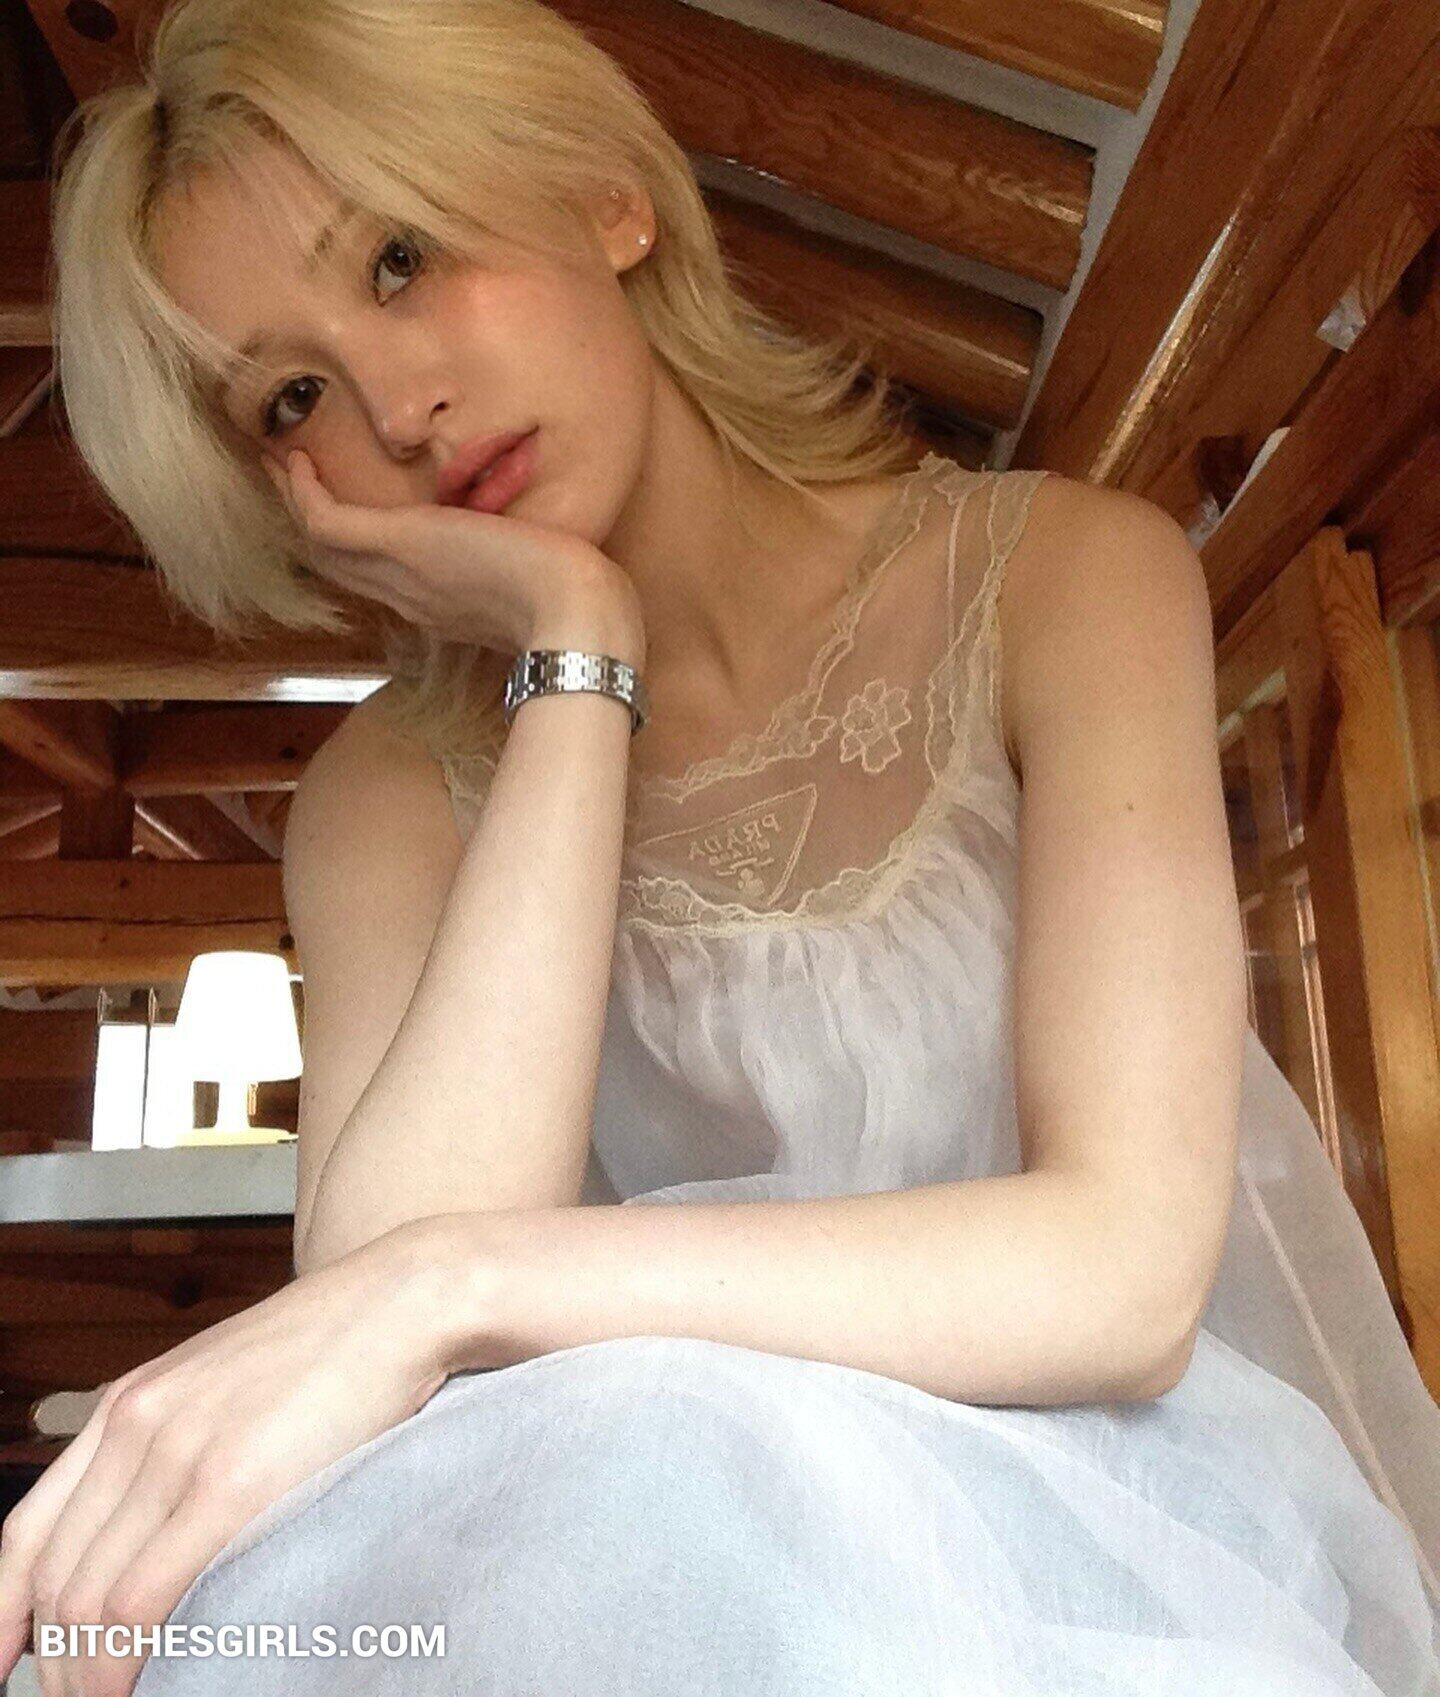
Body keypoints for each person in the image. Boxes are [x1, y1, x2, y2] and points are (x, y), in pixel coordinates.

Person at [1, 0, 1437, 1690]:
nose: (397, 408)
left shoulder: (1065, 578)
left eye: (401, 257)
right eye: (292, 394)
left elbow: (1120, 1275)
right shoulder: (387, 797)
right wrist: (574, 649)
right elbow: (386, 1355)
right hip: (666, 1563)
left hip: (1118, 1534)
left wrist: (464, 1280)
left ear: (607, 196)